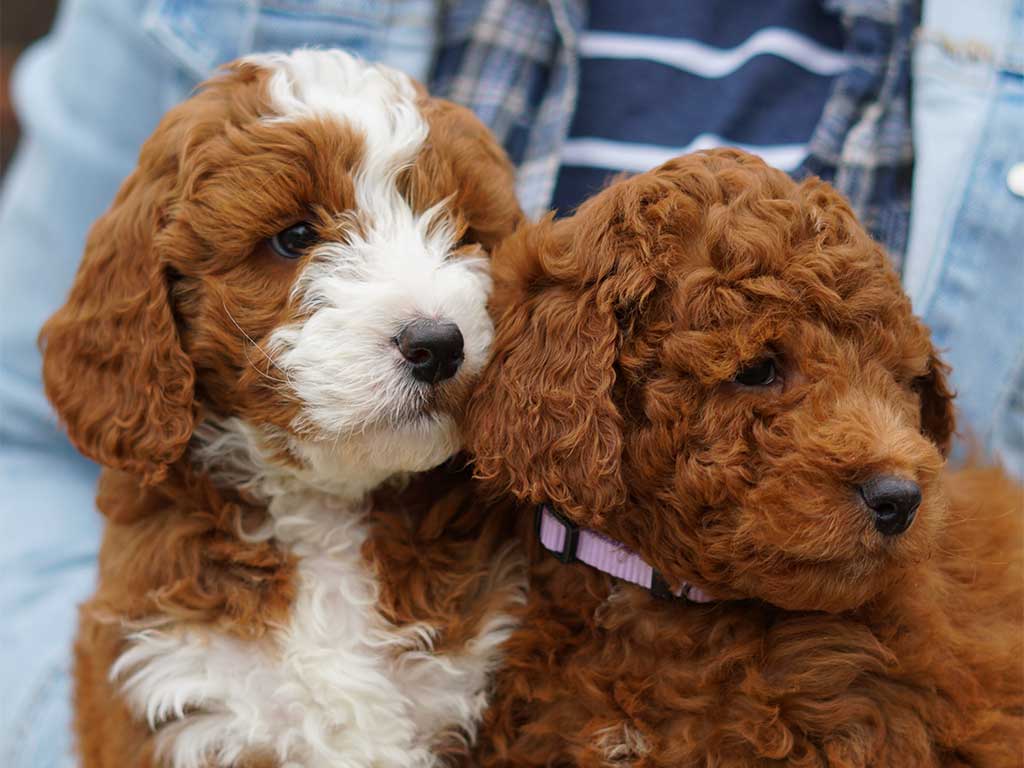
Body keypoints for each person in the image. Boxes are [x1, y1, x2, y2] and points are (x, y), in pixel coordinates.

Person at [1, 1, 1020, 764]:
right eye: (298, 239)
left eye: (465, 237)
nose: (432, 309)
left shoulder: (494, 554)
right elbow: (23, 439)